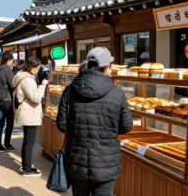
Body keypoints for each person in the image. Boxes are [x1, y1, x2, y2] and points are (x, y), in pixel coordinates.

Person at [56, 47, 133, 196]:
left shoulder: (70, 90)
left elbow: (61, 124)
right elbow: (126, 126)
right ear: (107, 67)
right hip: (106, 162)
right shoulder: (117, 93)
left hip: (77, 159)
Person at [13, 57, 47, 177]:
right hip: (29, 112)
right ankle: (27, 168)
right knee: (29, 142)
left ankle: (26, 164)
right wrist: (42, 86)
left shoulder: (21, 75)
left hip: (26, 111)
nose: (38, 71)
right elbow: (36, 98)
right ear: (32, 68)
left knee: (27, 141)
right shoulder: (27, 80)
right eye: (37, 68)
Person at [0, 52, 16, 152]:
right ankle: (7, 143)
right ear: (9, 60)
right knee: (9, 122)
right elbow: (12, 84)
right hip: (6, 98)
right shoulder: (7, 69)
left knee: (0, 122)